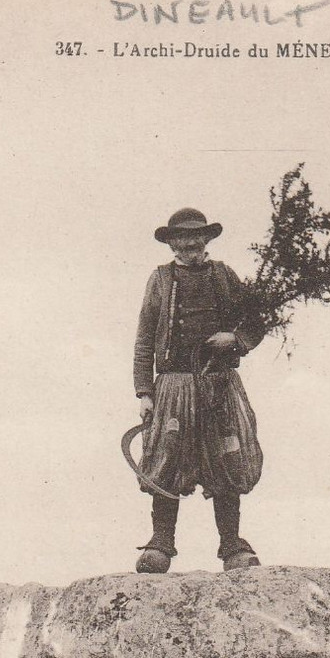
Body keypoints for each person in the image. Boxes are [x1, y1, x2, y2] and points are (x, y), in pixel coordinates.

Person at [133, 208, 265, 573]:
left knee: (227, 455)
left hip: (219, 382)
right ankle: (160, 543)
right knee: (167, 459)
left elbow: (255, 318)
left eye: (197, 238)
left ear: (207, 240)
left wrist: (235, 339)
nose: (190, 244)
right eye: (183, 239)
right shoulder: (159, 280)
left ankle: (232, 546)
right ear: (172, 242)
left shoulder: (225, 277)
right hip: (173, 385)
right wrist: (145, 391)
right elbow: (144, 338)